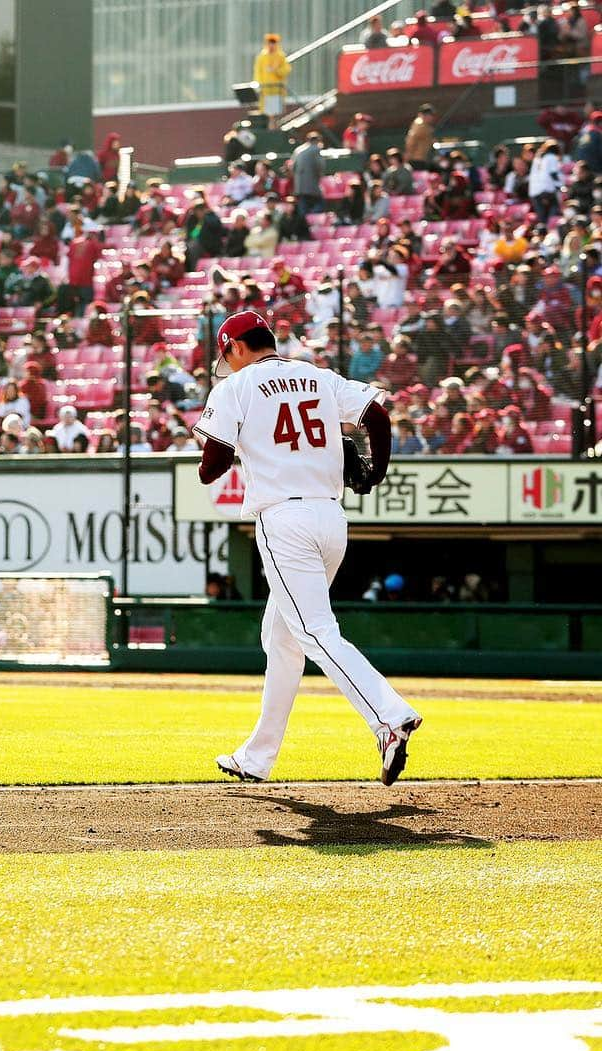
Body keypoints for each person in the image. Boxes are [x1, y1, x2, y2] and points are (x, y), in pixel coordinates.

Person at [194, 310, 422, 785]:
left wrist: (238, 448)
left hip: (284, 520)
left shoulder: (235, 387)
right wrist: (376, 473)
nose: (228, 364)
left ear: (234, 347)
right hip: (330, 518)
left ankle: (388, 717)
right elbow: (376, 416)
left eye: (227, 355)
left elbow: (211, 467)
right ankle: (257, 757)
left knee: (315, 631)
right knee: (281, 638)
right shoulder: (315, 375)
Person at [253, 33, 292, 124]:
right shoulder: (262, 57)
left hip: (277, 89)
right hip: (266, 90)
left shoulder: (280, 56)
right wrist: (259, 85)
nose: (271, 45)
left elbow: (286, 70)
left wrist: (276, 70)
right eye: (270, 43)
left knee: (276, 113)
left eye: (273, 43)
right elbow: (258, 72)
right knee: (268, 112)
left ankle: (274, 127)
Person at [290, 131, 324, 217]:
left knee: (303, 211)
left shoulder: (298, 150)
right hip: (312, 186)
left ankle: (304, 224)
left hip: (299, 186)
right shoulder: (315, 149)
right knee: (320, 204)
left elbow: (292, 167)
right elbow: (320, 166)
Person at [405, 104, 436, 170]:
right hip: (416, 160)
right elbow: (411, 142)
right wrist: (408, 155)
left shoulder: (425, 125)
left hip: (421, 159)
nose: (431, 117)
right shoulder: (420, 125)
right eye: (430, 115)